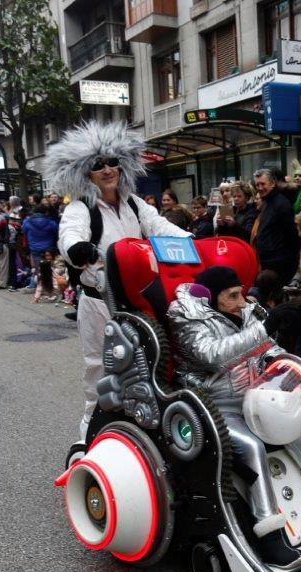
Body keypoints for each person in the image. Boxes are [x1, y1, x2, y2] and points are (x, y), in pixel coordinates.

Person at [165, 266, 301, 568]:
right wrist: (262, 331)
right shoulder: (186, 316)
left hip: (256, 395)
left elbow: (268, 349)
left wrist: (279, 360)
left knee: (300, 428)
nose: (242, 300)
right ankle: (270, 538)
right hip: (215, 406)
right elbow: (212, 355)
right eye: (232, 295)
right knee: (252, 448)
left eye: (241, 292)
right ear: (210, 299)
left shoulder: (247, 311)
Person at [48, 120, 193, 442]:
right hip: (100, 304)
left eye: (113, 161)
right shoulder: (82, 208)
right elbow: (69, 235)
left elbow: (160, 227)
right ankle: (88, 442)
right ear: (86, 172)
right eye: (98, 164)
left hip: (137, 301)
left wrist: (193, 241)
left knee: (150, 367)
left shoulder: (133, 203)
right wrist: (77, 249)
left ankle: (143, 435)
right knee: (99, 373)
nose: (107, 169)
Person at [252, 167, 300, 283]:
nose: (260, 188)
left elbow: (292, 235)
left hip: (279, 264)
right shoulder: (268, 202)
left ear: (273, 183)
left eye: (263, 184)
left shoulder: (281, 204)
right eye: (257, 185)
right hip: (269, 261)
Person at [22, 203, 60, 301]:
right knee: (51, 270)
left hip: (34, 249)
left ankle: (41, 290)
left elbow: (23, 230)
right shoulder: (50, 221)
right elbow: (56, 230)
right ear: (45, 211)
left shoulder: (28, 221)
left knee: (39, 271)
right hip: (48, 249)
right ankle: (52, 290)